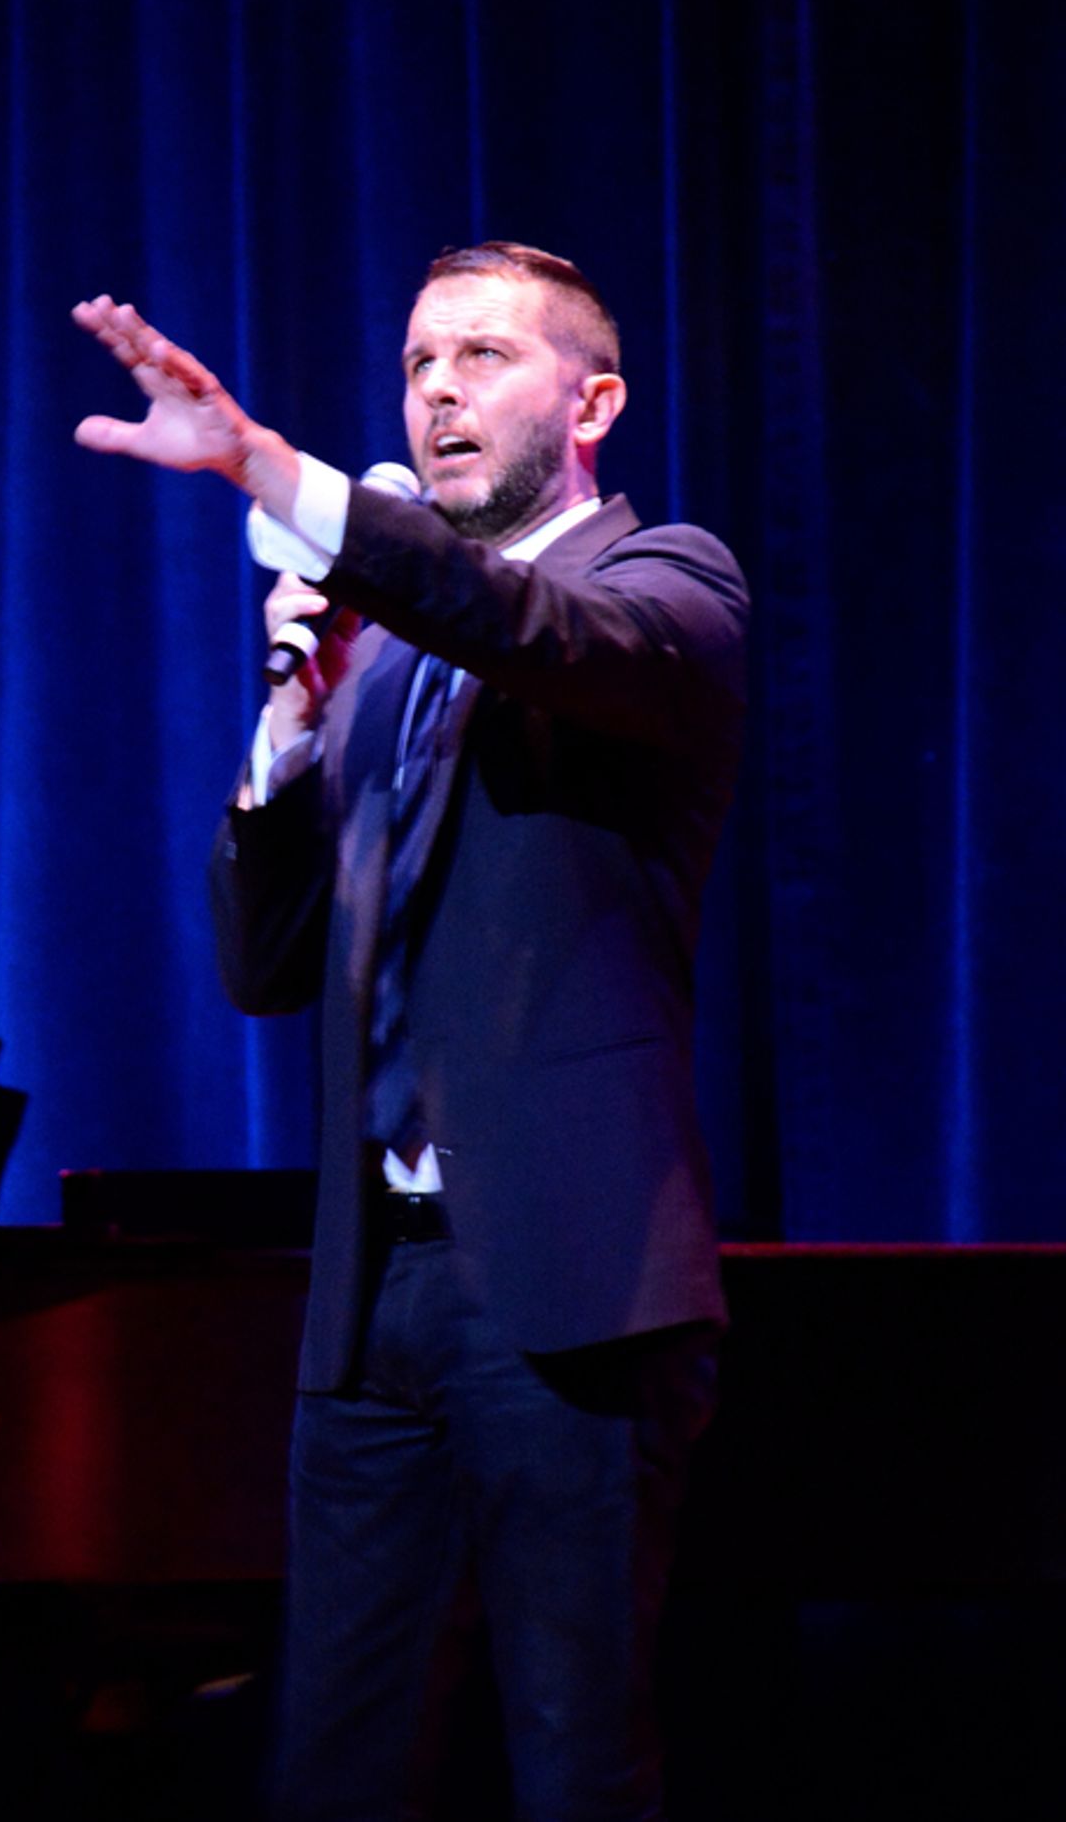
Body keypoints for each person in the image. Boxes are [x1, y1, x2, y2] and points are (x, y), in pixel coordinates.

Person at [72, 242, 748, 1822]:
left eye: (482, 359)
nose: (437, 390)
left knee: (578, 1758)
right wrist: (289, 737)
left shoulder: (667, 591)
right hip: (376, 1293)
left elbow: (518, 626)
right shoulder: (385, 674)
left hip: (570, 1295)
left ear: (593, 401)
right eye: (419, 362)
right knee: (336, 1761)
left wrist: (263, 464)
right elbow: (264, 966)